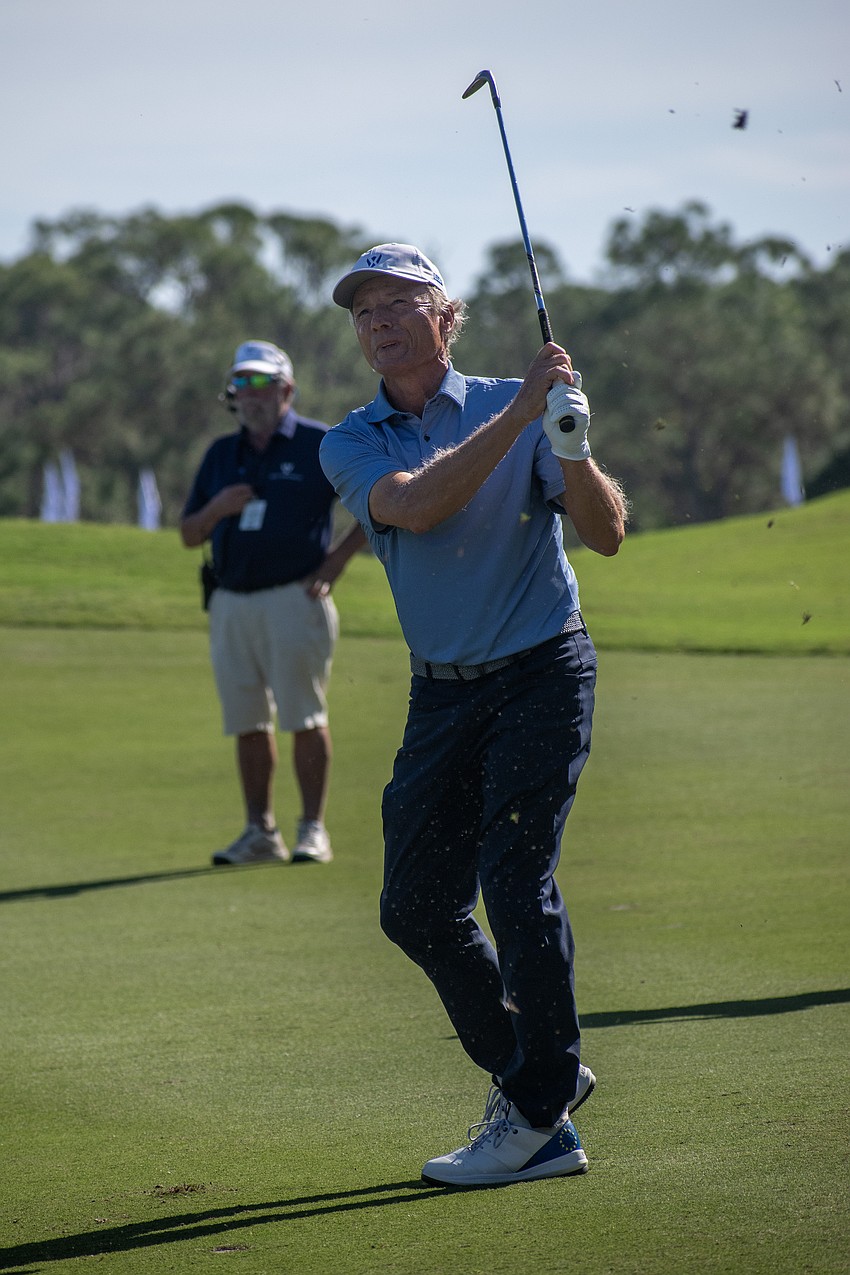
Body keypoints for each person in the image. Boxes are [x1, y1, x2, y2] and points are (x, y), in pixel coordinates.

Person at [319, 245, 627, 1187]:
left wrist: (571, 448)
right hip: (441, 690)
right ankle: (545, 1083)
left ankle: (533, 1114)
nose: (377, 320)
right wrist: (522, 417)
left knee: (514, 877)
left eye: (398, 301)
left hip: (541, 670)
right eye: (363, 309)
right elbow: (414, 507)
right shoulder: (350, 440)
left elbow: (606, 532)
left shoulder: (518, 399)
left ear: (445, 316)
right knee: (414, 906)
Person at [181, 340, 365, 867]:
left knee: (304, 715)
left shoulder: (318, 443)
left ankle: (312, 829)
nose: (251, 395)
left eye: (262, 384)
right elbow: (189, 534)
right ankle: (260, 832)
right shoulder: (222, 454)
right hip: (230, 602)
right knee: (246, 721)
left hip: (295, 598)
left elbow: (372, 506)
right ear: (232, 394)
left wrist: (334, 564)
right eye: (242, 385)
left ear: (286, 389)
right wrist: (217, 508)